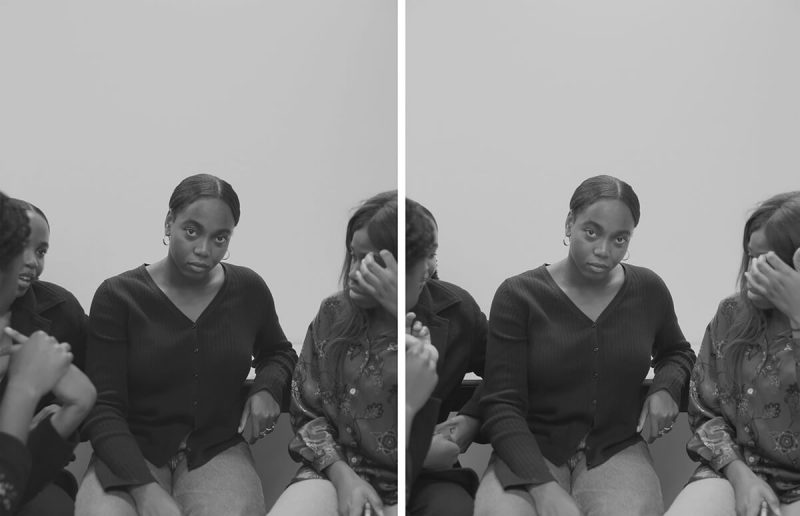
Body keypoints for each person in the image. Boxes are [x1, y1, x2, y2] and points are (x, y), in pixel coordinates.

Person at [75, 173, 298, 516]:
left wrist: (267, 388)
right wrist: (146, 493)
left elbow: (278, 352)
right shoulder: (117, 296)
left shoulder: (248, 289)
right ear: (169, 222)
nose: (204, 250)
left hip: (216, 446)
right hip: (132, 447)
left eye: (220, 238)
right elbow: (104, 407)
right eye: (191, 231)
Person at [475, 174, 696, 516]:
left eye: (619, 239)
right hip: (530, 447)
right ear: (569, 223)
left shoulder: (648, 289)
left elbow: (676, 351)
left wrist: (665, 388)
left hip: (616, 445)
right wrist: (544, 491)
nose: (604, 251)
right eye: (591, 232)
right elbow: (502, 404)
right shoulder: (518, 295)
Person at [666, 192, 800, 516]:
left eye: (767, 261)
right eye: (750, 256)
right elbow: (706, 414)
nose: (753, 271)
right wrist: (741, 477)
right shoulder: (732, 313)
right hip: (732, 470)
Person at [268, 191, 398, 516]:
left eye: (371, 261)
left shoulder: (437, 321)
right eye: (353, 256)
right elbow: (307, 413)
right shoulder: (333, 313)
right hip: (332, 470)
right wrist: (343, 478)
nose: (355, 271)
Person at [0, 191, 93, 516]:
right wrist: (22, 398)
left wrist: (61, 421)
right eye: (16, 249)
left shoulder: (62, 311)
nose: (30, 262)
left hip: (29, 468)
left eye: (40, 251)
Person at [405, 198, 489, 516]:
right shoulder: (339, 314)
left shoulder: (457, 309)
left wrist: (472, 418)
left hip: (432, 474)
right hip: (354, 466)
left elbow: (505, 369)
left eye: (432, 252)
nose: (426, 265)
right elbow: (316, 415)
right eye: (414, 253)